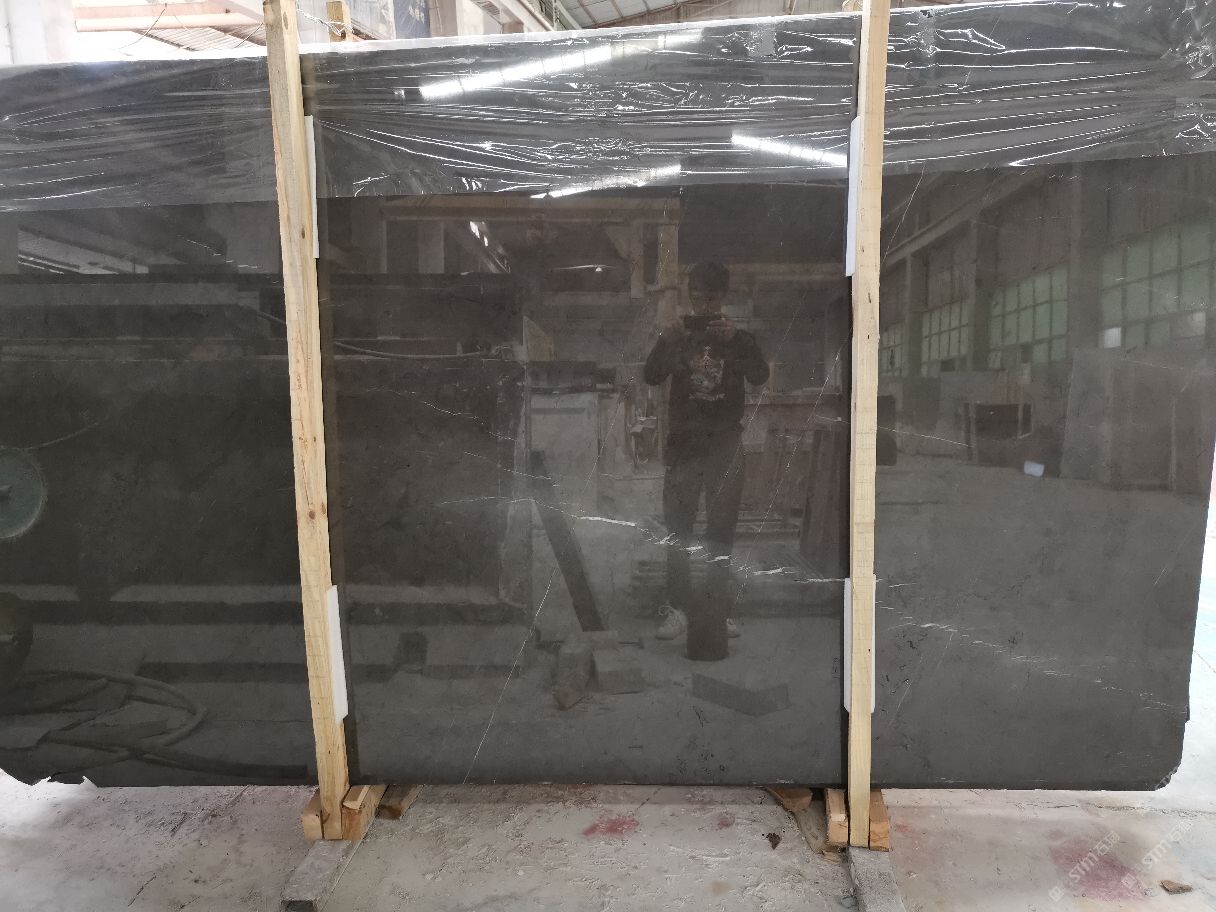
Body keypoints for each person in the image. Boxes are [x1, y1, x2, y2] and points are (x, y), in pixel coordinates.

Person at [643, 261, 769, 660]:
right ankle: (678, 609)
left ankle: (717, 612)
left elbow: (761, 375)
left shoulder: (740, 340)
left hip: (724, 446)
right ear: (690, 297)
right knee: (678, 530)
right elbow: (650, 376)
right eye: (697, 298)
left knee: (720, 531)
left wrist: (736, 343)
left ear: (723, 298)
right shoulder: (678, 335)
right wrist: (665, 341)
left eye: (711, 299)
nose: (704, 306)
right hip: (685, 446)